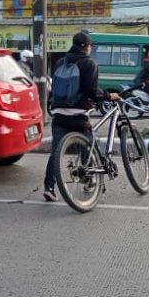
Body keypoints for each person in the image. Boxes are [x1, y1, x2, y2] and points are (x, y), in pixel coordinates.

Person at [42, 31, 120, 202]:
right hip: (78, 116)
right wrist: (108, 96)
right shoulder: (89, 64)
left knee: (56, 153)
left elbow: (54, 88)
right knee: (89, 147)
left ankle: (49, 187)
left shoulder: (60, 62)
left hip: (58, 115)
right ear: (86, 47)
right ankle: (92, 180)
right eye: (90, 45)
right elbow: (92, 92)